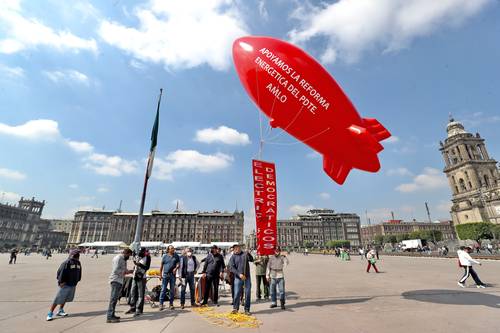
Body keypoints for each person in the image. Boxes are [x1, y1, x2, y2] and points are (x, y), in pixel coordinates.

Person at [46, 249, 82, 321]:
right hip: (65, 284)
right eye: (77, 255)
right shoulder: (67, 262)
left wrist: (77, 280)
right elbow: (60, 272)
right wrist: (61, 282)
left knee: (65, 298)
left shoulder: (78, 263)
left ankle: (60, 310)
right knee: (58, 298)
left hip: (72, 284)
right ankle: (50, 313)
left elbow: (79, 272)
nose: (78, 256)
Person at [107, 248, 134, 323]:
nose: (129, 257)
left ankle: (112, 314)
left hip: (119, 280)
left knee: (115, 299)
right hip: (115, 280)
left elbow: (123, 269)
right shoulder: (118, 258)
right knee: (113, 299)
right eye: (129, 255)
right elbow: (116, 270)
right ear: (125, 253)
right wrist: (125, 272)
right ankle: (109, 317)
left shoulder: (124, 259)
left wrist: (129, 271)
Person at [228, 244, 254, 315]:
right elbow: (231, 268)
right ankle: (235, 308)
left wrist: (248, 253)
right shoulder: (233, 257)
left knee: (247, 293)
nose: (236, 249)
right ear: (233, 250)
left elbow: (252, 260)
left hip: (247, 277)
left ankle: (247, 309)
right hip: (238, 277)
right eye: (235, 249)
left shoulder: (245, 254)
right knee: (237, 293)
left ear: (239, 248)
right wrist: (239, 274)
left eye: (237, 248)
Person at [125, 247, 151, 317]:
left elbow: (147, 267)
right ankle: (133, 307)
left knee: (140, 294)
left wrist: (139, 264)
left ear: (144, 252)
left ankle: (139, 310)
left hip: (142, 277)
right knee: (132, 292)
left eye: (141, 253)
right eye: (139, 253)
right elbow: (134, 262)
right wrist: (134, 257)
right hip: (134, 276)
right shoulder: (137, 255)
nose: (140, 255)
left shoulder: (147, 257)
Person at [159, 245, 180, 310]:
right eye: (171, 248)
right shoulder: (165, 256)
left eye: (173, 248)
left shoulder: (176, 256)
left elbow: (178, 264)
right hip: (165, 275)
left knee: (172, 290)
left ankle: (171, 304)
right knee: (163, 289)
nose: (173, 249)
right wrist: (160, 275)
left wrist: (176, 268)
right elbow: (161, 266)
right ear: (168, 250)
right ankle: (161, 304)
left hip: (172, 275)